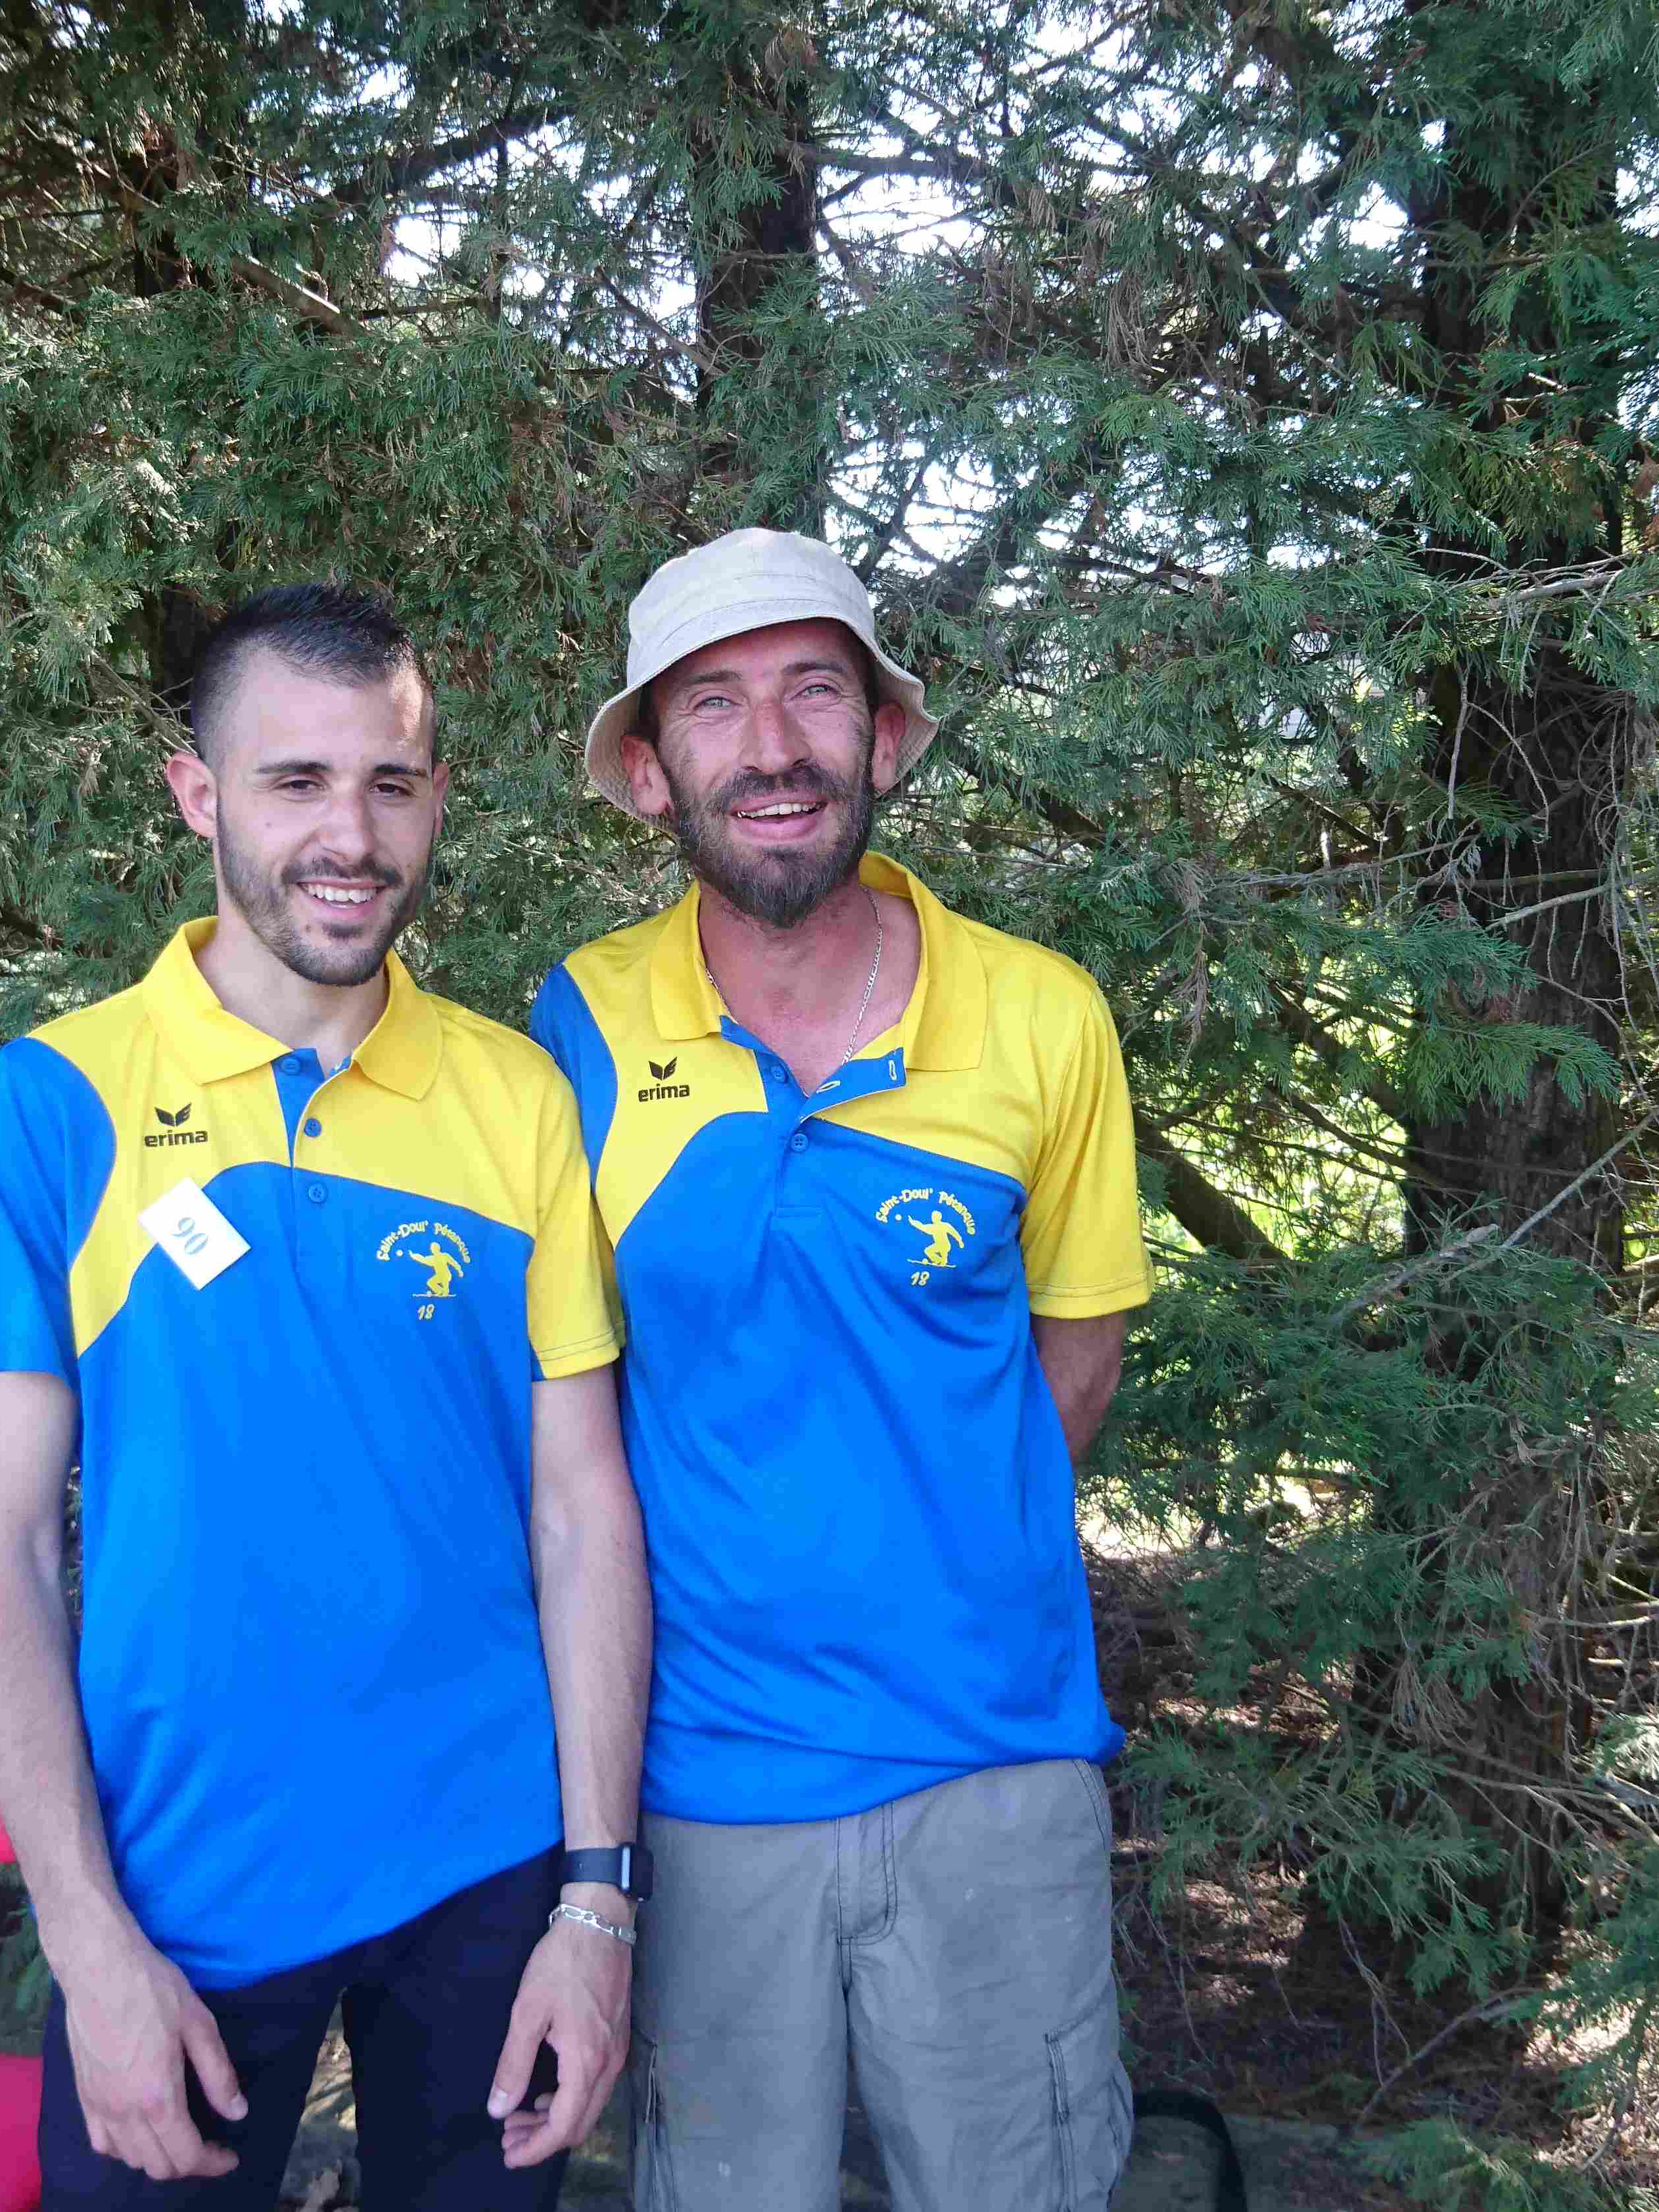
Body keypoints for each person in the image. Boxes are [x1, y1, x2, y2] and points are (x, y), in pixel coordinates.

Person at [0, 584, 653, 2211]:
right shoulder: (52, 1106)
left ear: (438, 799)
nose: (351, 835)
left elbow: (580, 1508)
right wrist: (86, 1942)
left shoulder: (516, 1098)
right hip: (176, 1896)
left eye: (391, 784)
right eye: (296, 782)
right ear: (198, 795)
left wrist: (595, 1901)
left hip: (490, 1873)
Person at [528, 530, 1149, 2212]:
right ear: (648, 775)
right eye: (712, 705)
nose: (772, 746)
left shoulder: (1042, 1017)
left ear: (881, 738)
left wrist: (927, 1542)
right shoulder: (578, 1027)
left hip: (993, 1764)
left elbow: (1076, 1360)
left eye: (815, 691)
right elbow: (565, 1416)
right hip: (701, 1782)